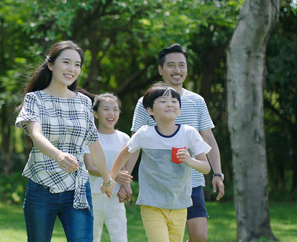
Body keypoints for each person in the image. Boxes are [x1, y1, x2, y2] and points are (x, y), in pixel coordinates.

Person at [123, 43, 225, 242]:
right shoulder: (146, 102)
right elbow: (133, 145)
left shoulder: (197, 101)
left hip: (192, 182)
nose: (177, 70)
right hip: (158, 184)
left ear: (187, 69)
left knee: (199, 236)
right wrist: (125, 179)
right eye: (171, 65)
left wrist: (218, 173)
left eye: (181, 65)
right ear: (161, 69)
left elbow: (208, 138)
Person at [15, 40, 115, 242]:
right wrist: (58, 155)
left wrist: (107, 180)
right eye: (66, 62)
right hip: (41, 187)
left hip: (77, 190)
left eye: (77, 64)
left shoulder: (84, 102)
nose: (72, 69)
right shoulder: (35, 99)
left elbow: (93, 143)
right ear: (51, 65)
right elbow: (36, 134)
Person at [110, 82, 212, 242]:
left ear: (179, 108)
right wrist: (111, 178)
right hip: (152, 203)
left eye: (174, 101)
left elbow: (206, 167)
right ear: (149, 110)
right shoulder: (145, 134)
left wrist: (190, 161)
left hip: (179, 204)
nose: (170, 104)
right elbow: (124, 155)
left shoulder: (189, 133)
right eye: (163, 101)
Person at [83, 93, 132, 242]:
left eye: (115, 109)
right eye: (106, 109)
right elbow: (90, 167)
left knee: (120, 238)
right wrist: (113, 175)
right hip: (93, 196)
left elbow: (124, 168)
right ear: (95, 113)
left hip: (115, 198)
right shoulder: (90, 137)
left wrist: (125, 186)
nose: (111, 113)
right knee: (92, 238)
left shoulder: (124, 138)